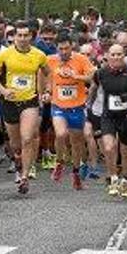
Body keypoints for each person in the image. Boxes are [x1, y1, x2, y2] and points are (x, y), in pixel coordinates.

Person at [0, 22, 49, 194]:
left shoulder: (39, 55)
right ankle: (18, 162)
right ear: (14, 37)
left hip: (29, 101)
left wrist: (47, 90)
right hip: (10, 102)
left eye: (26, 35)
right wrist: (3, 90)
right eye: (20, 35)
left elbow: (48, 73)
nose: (23, 39)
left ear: (31, 37)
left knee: (27, 139)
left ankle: (25, 176)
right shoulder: (5, 55)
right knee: (15, 144)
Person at [45, 31, 95, 191]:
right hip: (58, 105)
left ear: (72, 46)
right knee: (60, 134)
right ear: (56, 48)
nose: (64, 52)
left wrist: (76, 76)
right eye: (61, 49)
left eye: (66, 48)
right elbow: (43, 76)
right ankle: (59, 162)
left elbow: (92, 78)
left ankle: (75, 173)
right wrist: (45, 92)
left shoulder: (81, 59)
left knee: (76, 142)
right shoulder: (50, 60)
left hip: (77, 106)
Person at [94, 44, 127, 198]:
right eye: (113, 54)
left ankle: (126, 180)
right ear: (107, 56)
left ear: (124, 56)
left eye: (119, 54)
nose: (116, 57)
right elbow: (94, 88)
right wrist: (89, 106)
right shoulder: (101, 73)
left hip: (126, 117)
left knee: (126, 150)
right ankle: (113, 178)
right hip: (108, 115)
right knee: (109, 147)